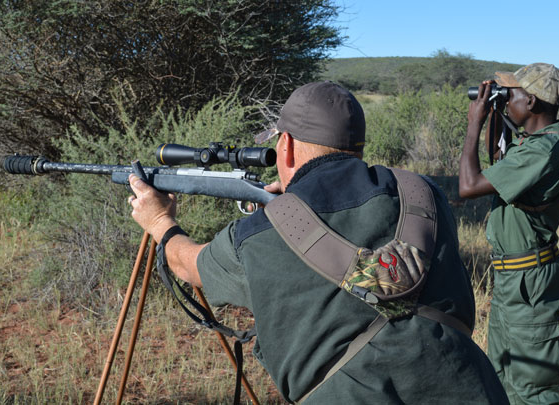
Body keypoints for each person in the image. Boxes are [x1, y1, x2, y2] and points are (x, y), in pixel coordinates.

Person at [129, 81, 508, 404]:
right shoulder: (422, 191)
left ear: (287, 147)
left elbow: (188, 264)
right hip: (470, 386)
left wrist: (160, 221)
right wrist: (296, 201)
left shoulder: (258, 234)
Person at [459, 63, 559, 404]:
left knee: (531, 388)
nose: (507, 101)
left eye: (513, 95)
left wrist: (474, 123)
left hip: (530, 280)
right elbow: (499, 157)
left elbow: (469, 185)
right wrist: (497, 113)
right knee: (502, 375)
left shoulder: (544, 150)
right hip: (514, 278)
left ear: (533, 102)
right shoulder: (533, 142)